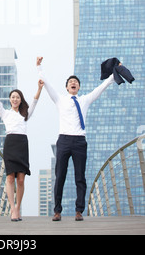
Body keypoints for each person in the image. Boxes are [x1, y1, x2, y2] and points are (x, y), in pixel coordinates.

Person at [36, 56, 115, 221]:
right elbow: (47, 84)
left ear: (78, 87)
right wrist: (39, 67)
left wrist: (113, 75)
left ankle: (79, 211)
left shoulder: (84, 100)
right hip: (64, 140)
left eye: (76, 82)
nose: (73, 83)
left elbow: (100, 88)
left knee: (80, 177)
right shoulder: (60, 99)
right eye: (70, 81)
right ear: (66, 87)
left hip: (79, 141)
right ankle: (57, 211)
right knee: (60, 177)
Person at [0, 71, 44, 221]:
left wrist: (39, 88)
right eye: (13, 97)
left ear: (21, 100)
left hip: (22, 144)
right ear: (10, 100)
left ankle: (17, 207)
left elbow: (35, 101)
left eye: (18, 97)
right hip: (10, 144)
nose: (15, 99)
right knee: (10, 178)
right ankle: (13, 209)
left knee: (21, 179)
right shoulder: (5, 113)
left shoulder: (25, 114)